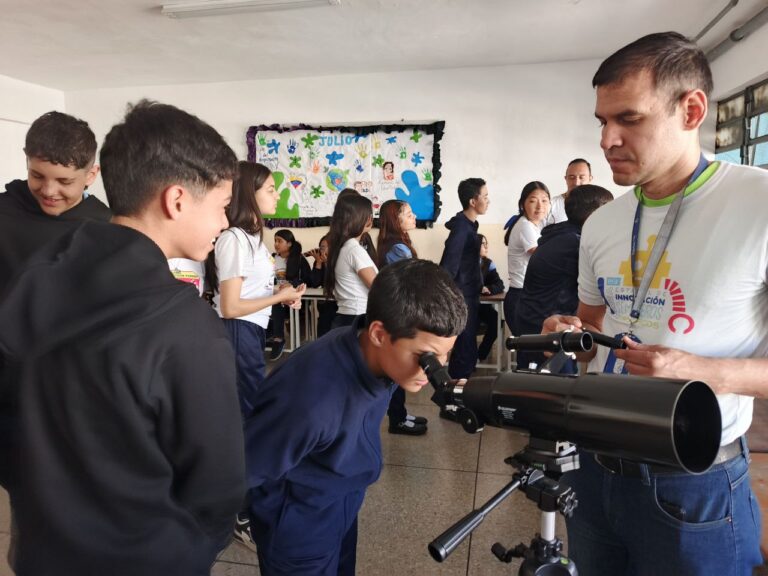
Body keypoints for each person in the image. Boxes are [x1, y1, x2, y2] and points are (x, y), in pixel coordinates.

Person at [543, 32, 767, 575]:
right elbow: (592, 327)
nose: (607, 139)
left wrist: (700, 371)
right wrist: (570, 333)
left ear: (691, 110)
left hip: (695, 480)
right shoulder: (602, 223)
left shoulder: (756, 205)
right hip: (594, 470)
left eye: (629, 119)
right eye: (601, 121)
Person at [0, 100, 246, 575]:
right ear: (177, 200)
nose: (224, 222)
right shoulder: (185, 326)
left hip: (39, 550)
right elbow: (217, 485)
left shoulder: (35, 281)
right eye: (220, 206)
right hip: (144, 556)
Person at [245, 258, 467, 575]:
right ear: (379, 333)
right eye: (427, 357)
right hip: (301, 529)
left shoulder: (381, 357)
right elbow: (246, 469)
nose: (433, 370)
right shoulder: (312, 399)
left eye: (446, 354)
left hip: (341, 502)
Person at [0, 111, 111, 296]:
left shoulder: (108, 228)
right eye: (37, 176)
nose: (48, 191)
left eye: (64, 181)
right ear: (27, 161)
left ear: (91, 175)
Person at [514, 184, 613, 371]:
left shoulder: (562, 235)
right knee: (555, 384)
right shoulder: (575, 244)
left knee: (533, 380)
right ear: (595, 215)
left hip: (533, 317)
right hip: (548, 325)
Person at [376, 199, 428, 435]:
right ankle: (397, 419)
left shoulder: (396, 243)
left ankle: (400, 413)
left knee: (400, 366)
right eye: (408, 213)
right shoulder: (398, 247)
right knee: (398, 367)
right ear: (396, 220)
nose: (413, 216)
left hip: (398, 309)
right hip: (399, 311)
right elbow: (412, 280)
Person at [439, 177, 489, 381]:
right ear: (472, 201)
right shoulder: (461, 228)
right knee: (464, 347)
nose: (488, 200)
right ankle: (453, 401)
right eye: (485, 196)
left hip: (469, 294)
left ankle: (460, 397)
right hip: (461, 297)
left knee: (467, 348)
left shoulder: (469, 225)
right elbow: (449, 265)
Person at [503, 181, 550, 334]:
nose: (539, 206)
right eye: (533, 200)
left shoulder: (534, 226)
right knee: (529, 349)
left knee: (531, 349)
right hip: (522, 297)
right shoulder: (525, 226)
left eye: (544, 200)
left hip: (527, 295)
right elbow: (543, 259)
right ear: (523, 204)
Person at [326, 191, 378, 329]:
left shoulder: (343, 246)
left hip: (347, 316)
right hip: (357, 317)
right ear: (357, 218)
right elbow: (377, 286)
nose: (371, 219)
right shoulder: (354, 250)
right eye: (369, 215)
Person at [268, 229, 311, 360]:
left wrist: (292, 283)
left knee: (277, 302)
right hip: (276, 298)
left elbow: (308, 279)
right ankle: (274, 337)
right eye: (275, 240)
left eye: (279, 241)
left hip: (295, 300)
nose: (276, 244)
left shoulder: (299, 259)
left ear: (289, 244)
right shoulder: (271, 258)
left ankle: (278, 338)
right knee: (275, 301)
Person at [477, 234, 505, 362]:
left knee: (497, 321)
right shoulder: (463, 262)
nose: (486, 246)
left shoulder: (488, 263)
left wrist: (489, 289)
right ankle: (469, 357)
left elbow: (499, 284)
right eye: (483, 244)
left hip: (483, 307)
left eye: (486, 243)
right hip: (466, 306)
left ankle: (481, 354)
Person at [306, 234, 338, 337]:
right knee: (324, 319)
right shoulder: (319, 260)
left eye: (324, 247)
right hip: (325, 301)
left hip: (337, 301)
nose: (321, 249)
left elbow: (335, 280)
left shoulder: (339, 260)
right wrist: (319, 263)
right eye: (320, 247)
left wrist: (327, 263)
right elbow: (314, 283)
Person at [544, 158, 593, 225]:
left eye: (581, 177)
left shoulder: (599, 205)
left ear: (590, 179)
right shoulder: (551, 205)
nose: (576, 183)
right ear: (566, 179)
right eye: (572, 177)